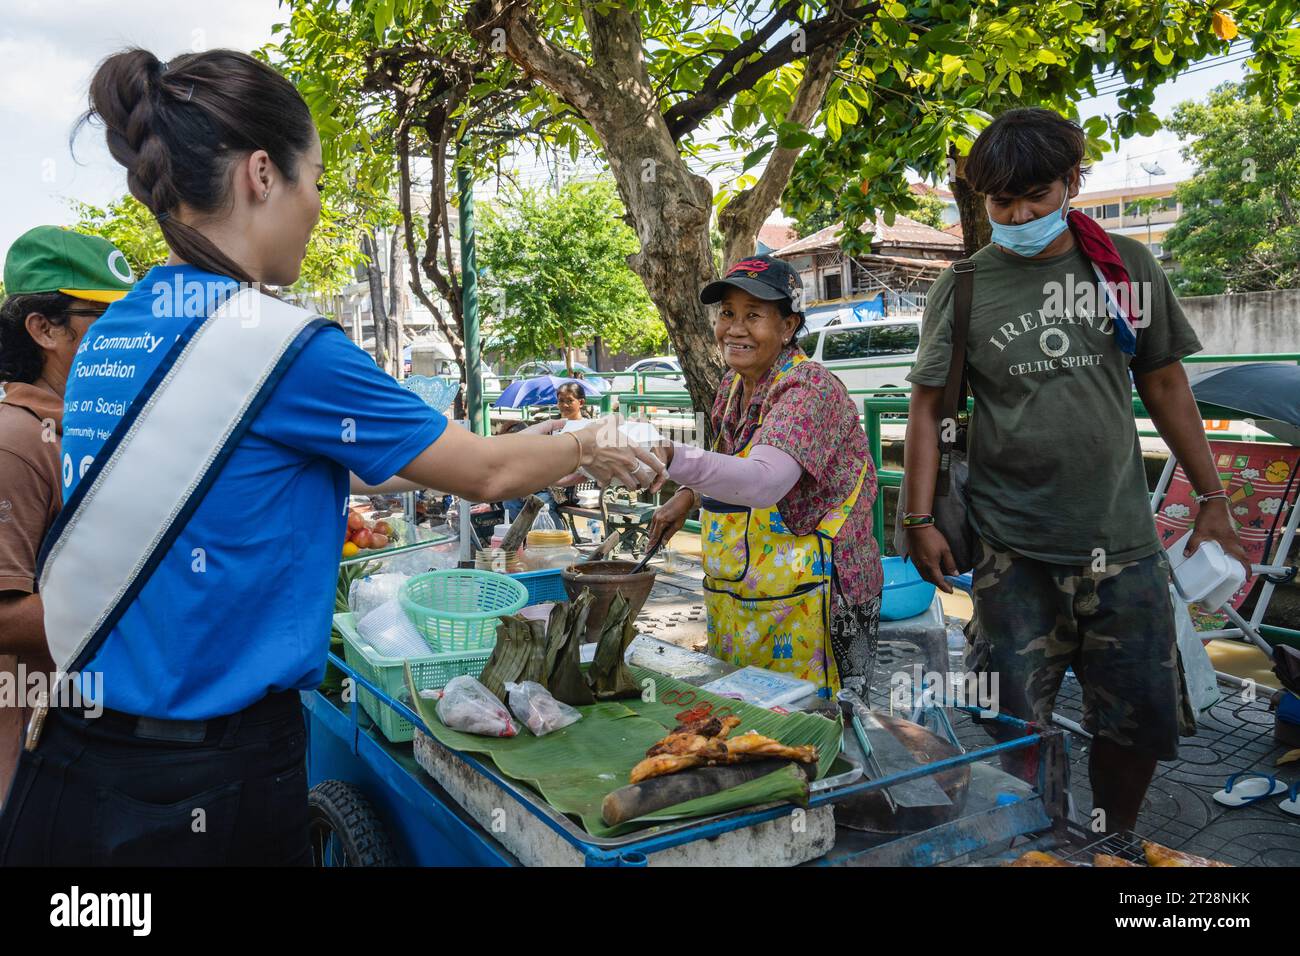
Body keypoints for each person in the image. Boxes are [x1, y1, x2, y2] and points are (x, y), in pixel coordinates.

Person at [0, 47, 663, 866]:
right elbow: (484, 474)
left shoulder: (114, 336)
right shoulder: (282, 346)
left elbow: (260, 467)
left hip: (74, 766)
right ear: (260, 174)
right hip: (211, 786)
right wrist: (588, 440)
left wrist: (542, 447)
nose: (318, 207)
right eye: (314, 179)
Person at [903, 108, 1249, 833]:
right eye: (1002, 203)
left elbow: (1165, 383)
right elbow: (929, 409)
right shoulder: (964, 287)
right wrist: (918, 517)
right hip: (1010, 550)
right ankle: (1043, 825)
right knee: (1009, 712)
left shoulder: (1124, 268)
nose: (1020, 215)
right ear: (982, 200)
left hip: (1123, 545)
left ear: (1072, 182)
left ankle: (1113, 833)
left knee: (1137, 717)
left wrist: (1213, 496)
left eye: (1037, 197)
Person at [647, 255, 883, 698]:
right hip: (753, 588)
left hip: (827, 592)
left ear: (788, 327)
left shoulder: (808, 388)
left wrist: (668, 455)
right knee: (746, 710)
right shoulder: (731, 387)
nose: (734, 328)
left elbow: (762, 482)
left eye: (753, 315)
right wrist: (687, 495)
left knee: (822, 723)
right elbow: (727, 462)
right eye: (727, 314)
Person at [0, 227, 133, 807]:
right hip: (43, 763)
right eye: (102, 314)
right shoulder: (17, 442)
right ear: (44, 328)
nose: (128, 335)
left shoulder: (90, 425)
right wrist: (142, 617)